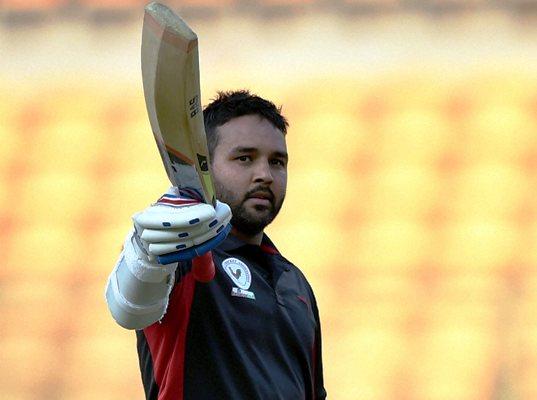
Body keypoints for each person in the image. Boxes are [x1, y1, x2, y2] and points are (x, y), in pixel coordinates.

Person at [105, 90, 326, 400]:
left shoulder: (296, 284)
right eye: (245, 158)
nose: (265, 175)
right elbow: (129, 306)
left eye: (277, 162)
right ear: (204, 168)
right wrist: (144, 251)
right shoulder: (181, 255)